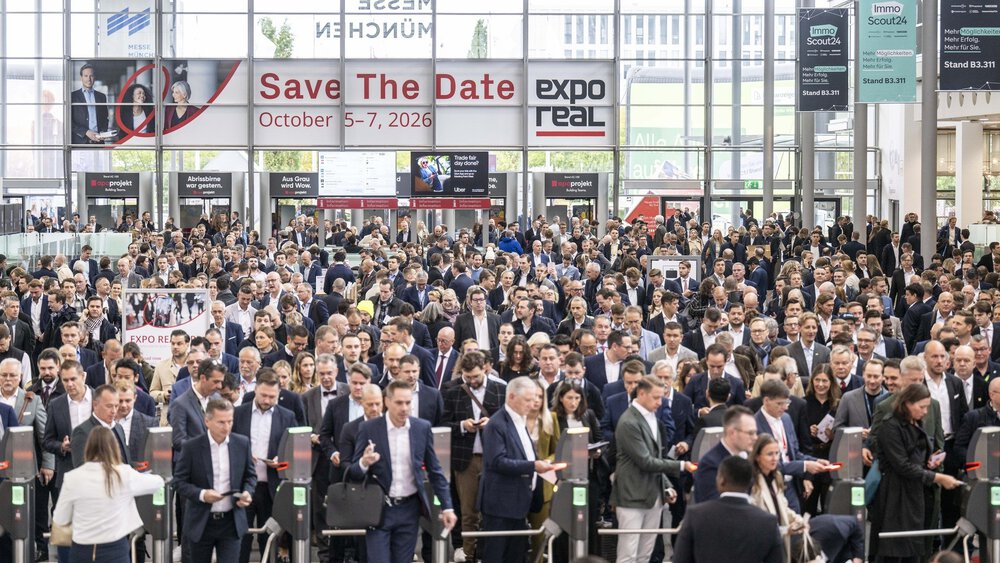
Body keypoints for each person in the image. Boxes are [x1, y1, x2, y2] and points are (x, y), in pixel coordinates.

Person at [349, 380, 457, 563]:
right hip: (379, 509)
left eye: (408, 403)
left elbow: (435, 471)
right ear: (387, 402)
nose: (404, 408)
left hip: (409, 509)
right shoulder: (369, 429)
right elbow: (353, 472)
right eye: (399, 403)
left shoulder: (421, 428)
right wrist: (364, 463)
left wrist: (447, 507)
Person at [870, 383, 963, 563]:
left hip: (916, 493)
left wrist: (929, 461)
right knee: (894, 550)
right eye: (921, 407)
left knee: (913, 549)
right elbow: (901, 465)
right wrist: (937, 477)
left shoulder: (916, 423)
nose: (925, 411)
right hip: (896, 496)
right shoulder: (890, 426)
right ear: (907, 404)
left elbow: (916, 456)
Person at [51, 427, 164, 563]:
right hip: (115, 549)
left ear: (88, 448)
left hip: (81, 550)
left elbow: (60, 518)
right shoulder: (124, 474)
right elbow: (158, 483)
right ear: (114, 447)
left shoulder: (72, 478)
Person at [611, 376, 691, 563]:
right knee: (628, 556)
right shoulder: (628, 422)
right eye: (656, 397)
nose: (660, 402)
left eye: (661, 397)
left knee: (645, 555)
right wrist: (681, 465)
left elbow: (655, 457)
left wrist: (665, 486)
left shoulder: (652, 418)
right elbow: (645, 461)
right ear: (641, 394)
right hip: (631, 497)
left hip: (653, 496)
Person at [748, 434, 864, 563]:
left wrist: (799, 521)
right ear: (757, 457)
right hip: (765, 544)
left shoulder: (776, 478)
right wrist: (786, 529)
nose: (775, 458)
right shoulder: (753, 485)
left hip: (781, 542)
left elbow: (783, 508)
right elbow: (756, 524)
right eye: (769, 454)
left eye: (777, 453)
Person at [478, 376, 555, 563]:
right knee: (496, 555)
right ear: (512, 397)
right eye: (527, 400)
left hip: (520, 502)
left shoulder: (519, 420)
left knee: (516, 555)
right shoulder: (497, 424)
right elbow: (497, 461)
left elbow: (526, 453)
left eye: (534, 399)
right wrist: (533, 466)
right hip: (501, 505)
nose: (532, 404)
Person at [173, 399, 256, 563]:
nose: (226, 427)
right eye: (221, 422)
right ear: (207, 421)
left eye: (230, 421)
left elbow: (250, 476)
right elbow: (179, 482)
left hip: (231, 522)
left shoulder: (241, 443)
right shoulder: (192, 447)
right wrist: (202, 494)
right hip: (201, 522)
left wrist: (247, 492)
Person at [674, 456, 783, 563]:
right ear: (750, 483)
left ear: (721, 480)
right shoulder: (768, 522)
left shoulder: (695, 516)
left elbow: (680, 559)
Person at [692, 405, 757, 503]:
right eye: (750, 433)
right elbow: (710, 507)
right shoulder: (711, 464)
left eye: (756, 433)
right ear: (732, 433)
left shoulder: (748, 458)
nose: (755, 437)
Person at [70, 63, 108, 144]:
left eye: (91, 76)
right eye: (86, 76)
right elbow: (69, 121)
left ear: (95, 77)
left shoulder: (101, 97)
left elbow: (105, 119)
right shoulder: (73, 96)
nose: (89, 79)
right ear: (81, 78)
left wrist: (103, 133)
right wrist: (86, 132)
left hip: (98, 142)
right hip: (80, 142)